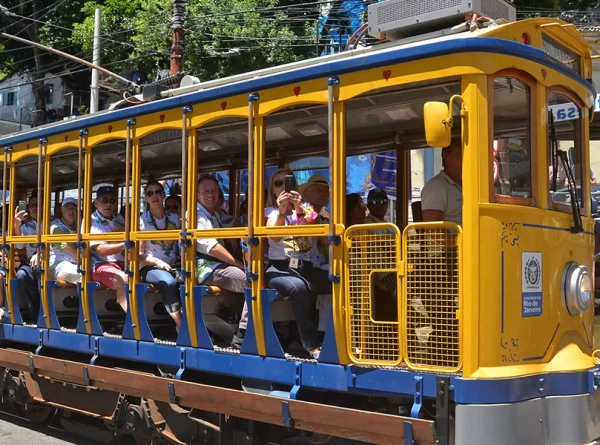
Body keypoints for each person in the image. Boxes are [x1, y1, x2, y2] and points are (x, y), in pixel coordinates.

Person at [138, 181, 183, 329]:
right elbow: (138, 255)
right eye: (150, 193)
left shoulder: (175, 219)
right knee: (168, 282)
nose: (155, 196)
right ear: (146, 197)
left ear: (163, 195)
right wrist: (156, 262)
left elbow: (180, 246)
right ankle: (180, 325)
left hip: (173, 265)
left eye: (158, 192)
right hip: (149, 267)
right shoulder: (142, 221)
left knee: (190, 279)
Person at [195, 175, 246, 293]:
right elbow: (213, 248)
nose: (210, 195)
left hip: (219, 265)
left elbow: (234, 224)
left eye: (214, 191)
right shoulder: (196, 215)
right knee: (250, 281)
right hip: (207, 269)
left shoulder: (214, 215)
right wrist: (238, 263)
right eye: (205, 191)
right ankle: (250, 313)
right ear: (197, 195)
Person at [90, 186, 129, 313]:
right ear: (96, 203)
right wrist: (125, 244)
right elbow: (100, 250)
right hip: (100, 265)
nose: (108, 204)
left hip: (122, 263)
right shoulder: (91, 220)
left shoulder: (119, 219)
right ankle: (134, 320)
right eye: (104, 200)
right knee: (123, 279)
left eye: (112, 201)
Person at [14, 192, 43, 321]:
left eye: (38, 205)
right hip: (31, 264)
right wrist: (17, 225)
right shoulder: (26, 227)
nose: (35, 208)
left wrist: (40, 254)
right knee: (21, 275)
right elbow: (20, 246)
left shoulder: (53, 224)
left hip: (51, 261)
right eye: (32, 205)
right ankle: (34, 314)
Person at [421, 138, 462, 225]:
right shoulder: (436, 187)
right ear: (445, 155)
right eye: (459, 152)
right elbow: (433, 230)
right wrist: (458, 239)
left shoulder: (469, 185)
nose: (464, 157)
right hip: (456, 238)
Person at [49, 197, 82, 285]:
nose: (71, 211)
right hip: (60, 265)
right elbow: (75, 254)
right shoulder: (56, 228)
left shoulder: (81, 226)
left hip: (77, 264)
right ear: (62, 211)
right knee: (84, 275)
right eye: (67, 209)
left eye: (74, 208)